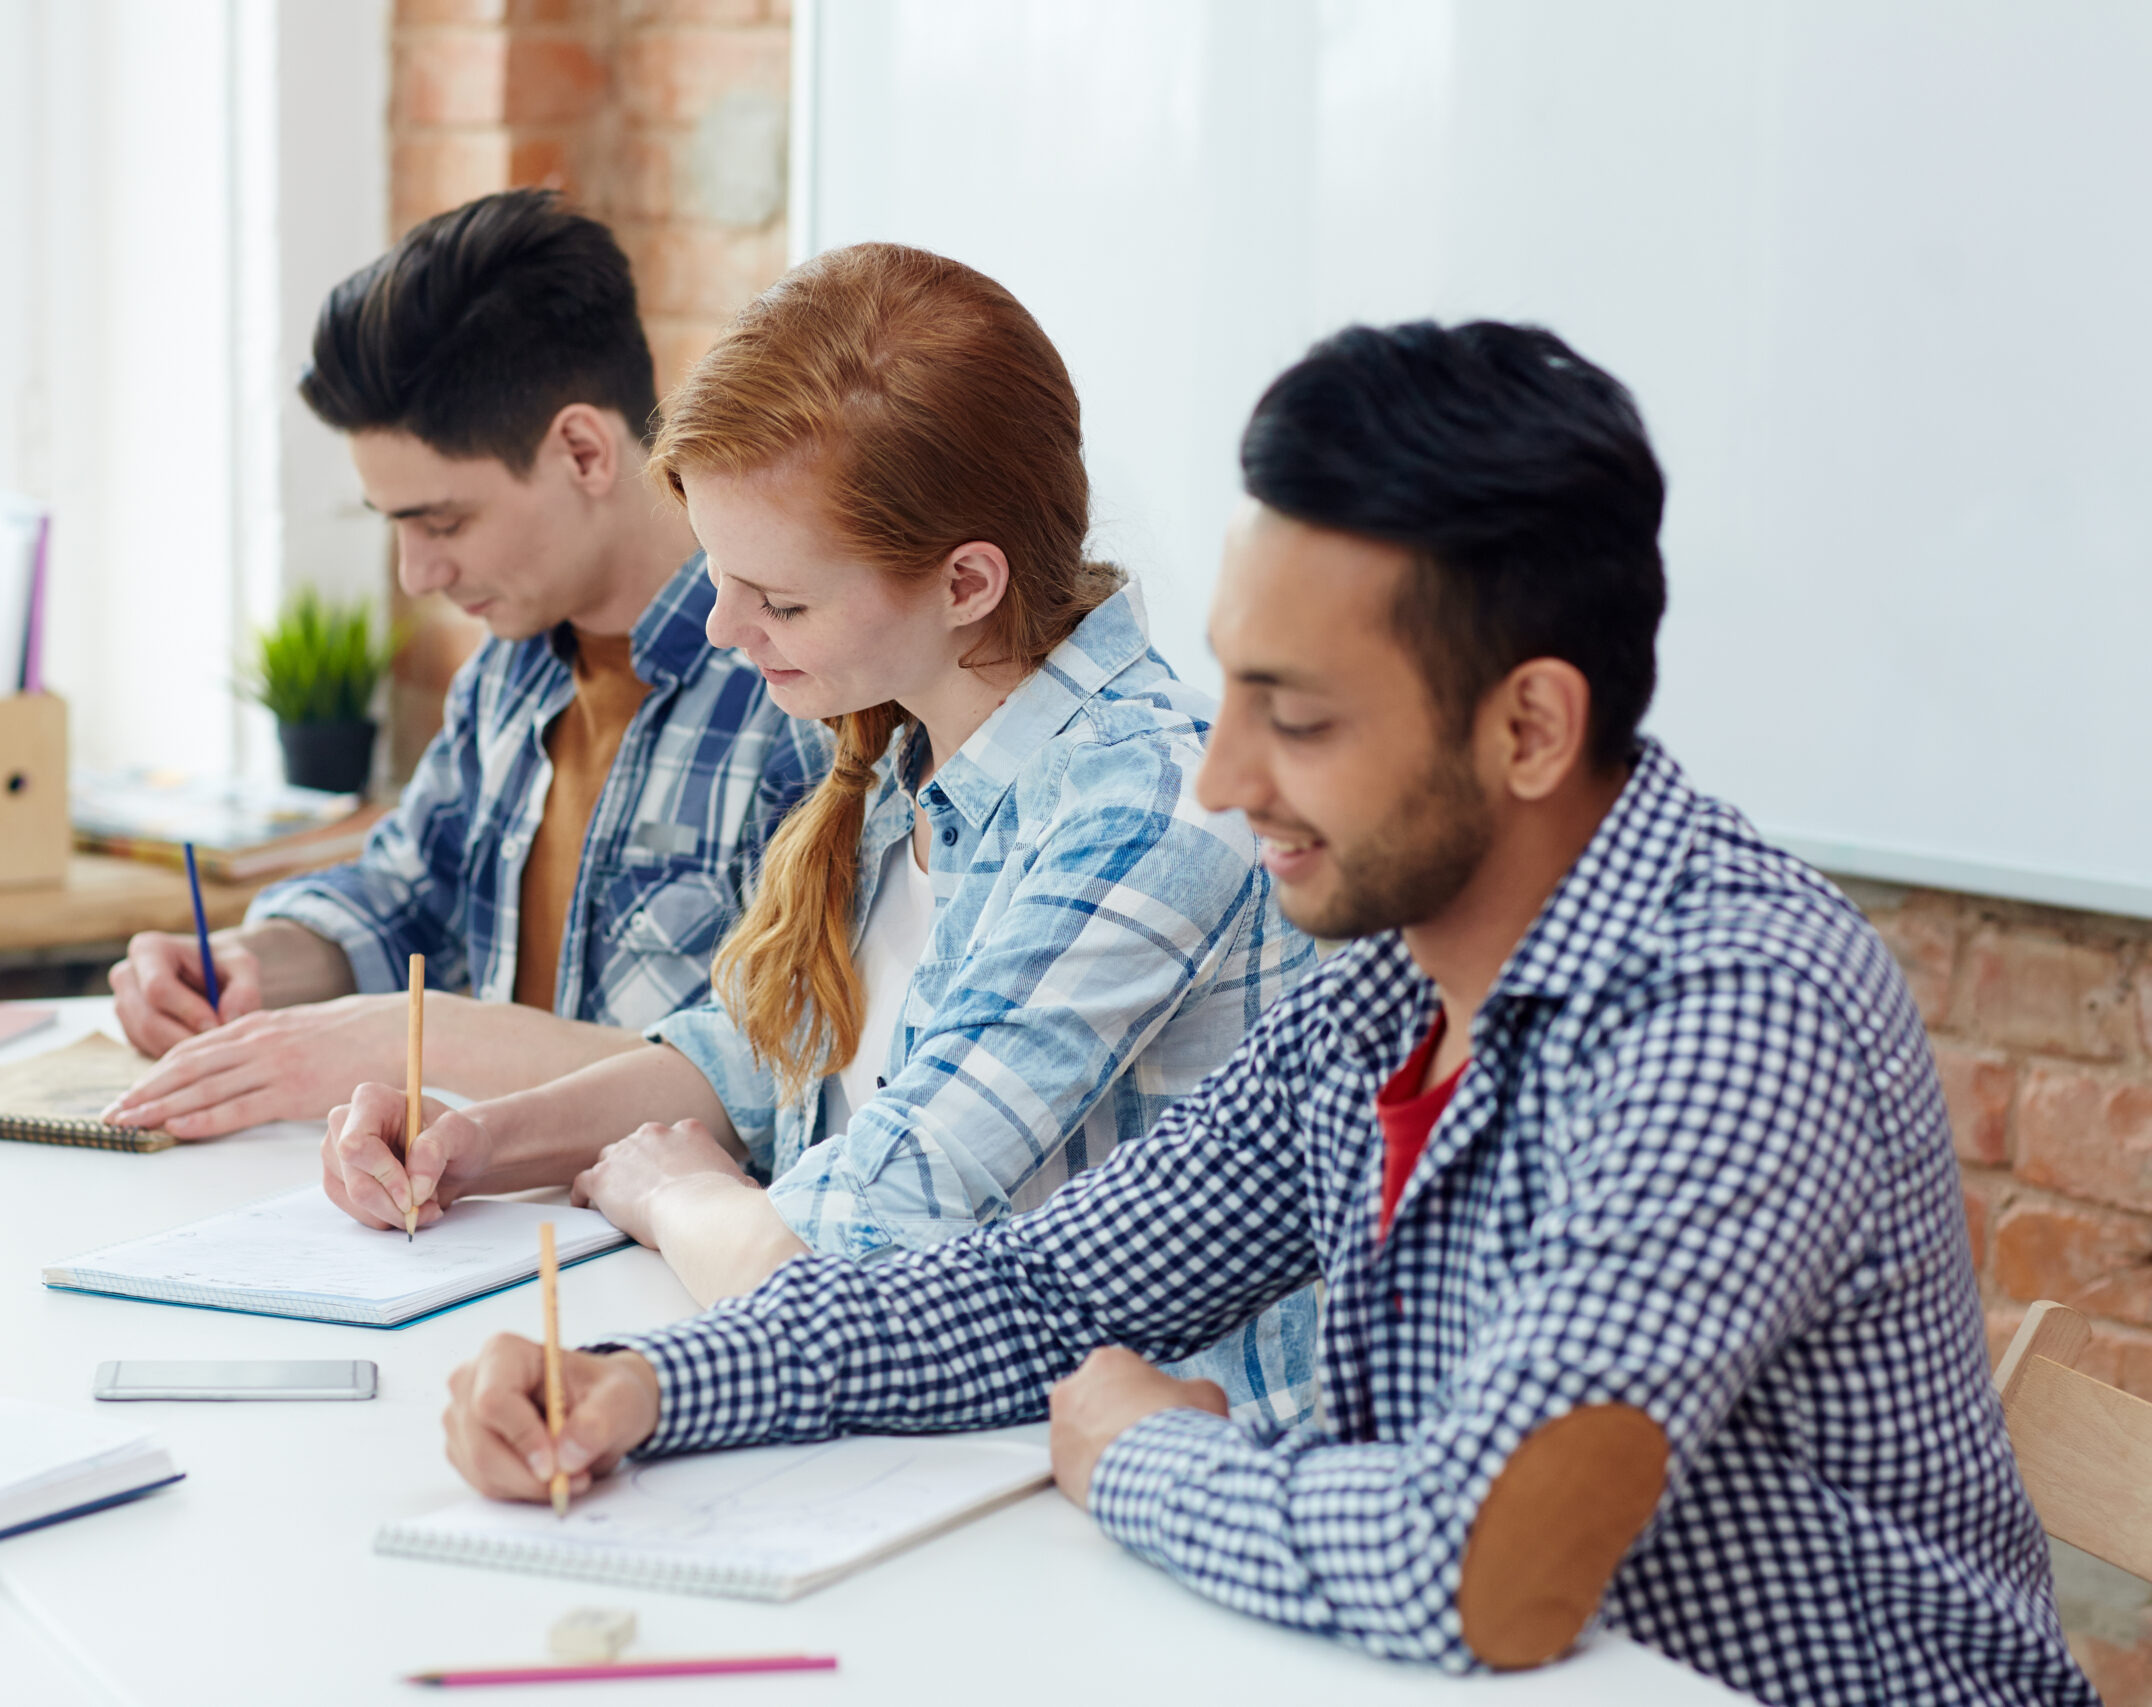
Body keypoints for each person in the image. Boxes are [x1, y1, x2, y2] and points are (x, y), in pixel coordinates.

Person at [428, 322, 2093, 1706]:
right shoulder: (1390, 979)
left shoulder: (1737, 1017)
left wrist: (1142, 1445)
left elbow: (1483, 1562)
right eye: (1230, 692)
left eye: (1295, 719)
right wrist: (648, 1383)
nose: (1221, 778)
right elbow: (1035, 1292)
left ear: (1527, 727)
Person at [321, 243, 1314, 1418]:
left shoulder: (1146, 808)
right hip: (904, 1451)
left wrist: (677, 1195)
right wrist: (480, 1144)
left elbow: (870, 1236)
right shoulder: (904, 736)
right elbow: (753, 1055)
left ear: (966, 584)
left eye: (780, 600)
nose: (729, 630)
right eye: (723, 577)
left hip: (1107, 1481)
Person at [102, 191, 817, 1139]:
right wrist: (250, 961)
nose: (419, 572)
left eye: (444, 522)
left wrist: (420, 1035)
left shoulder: (801, 696)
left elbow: (784, 1079)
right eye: (398, 526)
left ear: (582, 450)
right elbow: (409, 895)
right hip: (472, 1218)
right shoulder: (510, 672)